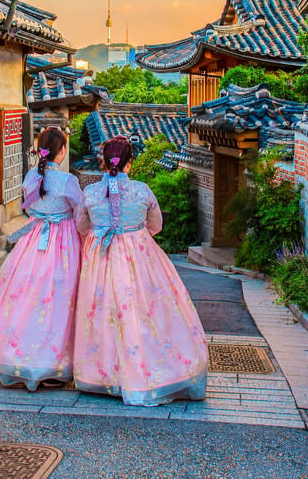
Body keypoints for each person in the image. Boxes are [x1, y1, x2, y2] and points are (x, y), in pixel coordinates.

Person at [73, 135, 208, 406]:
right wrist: (133, 234)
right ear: (130, 162)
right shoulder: (142, 190)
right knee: (145, 311)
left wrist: (102, 232)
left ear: (103, 161)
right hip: (139, 256)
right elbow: (156, 225)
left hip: (101, 257)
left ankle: (103, 375)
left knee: (103, 311)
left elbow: (81, 226)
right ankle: (149, 371)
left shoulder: (90, 193)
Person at [0, 126, 84, 390]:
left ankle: (18, 353)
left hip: (34, 240)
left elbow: (31, 207)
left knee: (28, 297)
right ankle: (53, 363)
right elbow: (80, 213)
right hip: (62, 243)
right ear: (61, 151)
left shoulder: (30, 178)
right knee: (59, 298)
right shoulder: (67, 181)